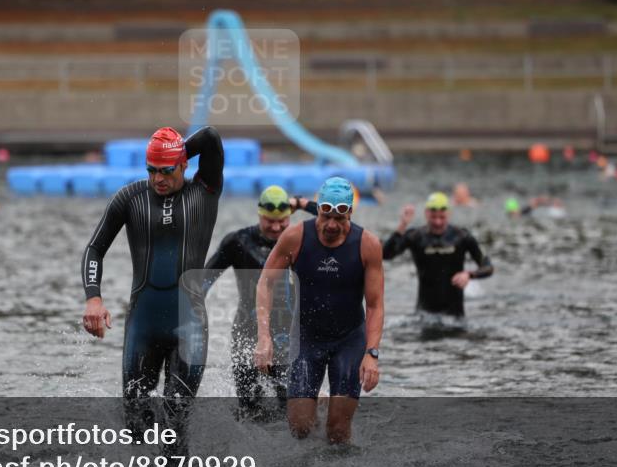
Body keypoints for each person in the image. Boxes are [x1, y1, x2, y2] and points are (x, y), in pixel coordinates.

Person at [81, 126, 223, 434]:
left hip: (189, 327)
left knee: (175, 422)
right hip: (142, 327)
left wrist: (174, 146)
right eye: (152, 170)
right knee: (136, 428)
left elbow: (210, 138)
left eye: (166, 170)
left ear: (184, 165)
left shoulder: (205, 191)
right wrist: (93, 298)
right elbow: (94, 249)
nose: (158, 179)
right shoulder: (130, 198)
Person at [254, 177, 384, 445]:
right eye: (326, 215)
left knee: (337, 433)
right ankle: (319, 402)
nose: (332, 225)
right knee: (300, 428)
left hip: (349, 340)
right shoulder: (295, 237)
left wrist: (372, 354)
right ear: (318, 210)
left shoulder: (367, 245)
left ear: (350, 213)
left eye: (340, 217)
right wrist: (264, 337)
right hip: (306, 338)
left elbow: (374, 305)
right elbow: (265, 283)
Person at [203, 185, 317, 418]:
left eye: (281, 221)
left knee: (293, 412)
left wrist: (302, 203)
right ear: (259, 215)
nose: (276, 228)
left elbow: (338, 220)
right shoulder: (238, 241)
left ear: (290, 216)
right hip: (247, 337)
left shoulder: (298, 240)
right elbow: (203, 281)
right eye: (269, 221)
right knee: (249, 412)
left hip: (287, 338)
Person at [382, 192, 493, 318]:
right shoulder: (415, 236)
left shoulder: (461, 236)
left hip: (455, 317)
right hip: (424, 315)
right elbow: (385, 254)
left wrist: (469, 275)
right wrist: (402, 225)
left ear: (449, 214)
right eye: (433, 217)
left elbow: (488, 267)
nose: (438, 222)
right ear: (426, 214)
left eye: (442, 217)